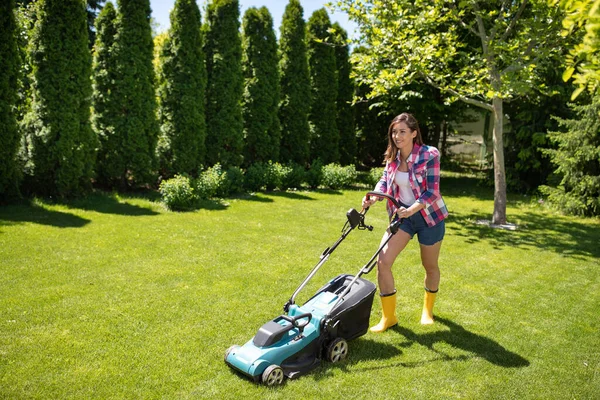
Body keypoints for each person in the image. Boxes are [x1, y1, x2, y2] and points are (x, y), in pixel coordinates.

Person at [362, 112, 448, 332]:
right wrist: (374, 196)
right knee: (383, 262)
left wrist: (413, 209)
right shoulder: (393, 157)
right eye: (394, 131)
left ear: (413, 133)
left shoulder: (429, 155)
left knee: (429, 266)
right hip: (403, 218)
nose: (397, 136)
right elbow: (384, 182)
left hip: (429, 217)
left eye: (402, 131)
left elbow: (433, 192)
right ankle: (388, 317)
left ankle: (427, 310)